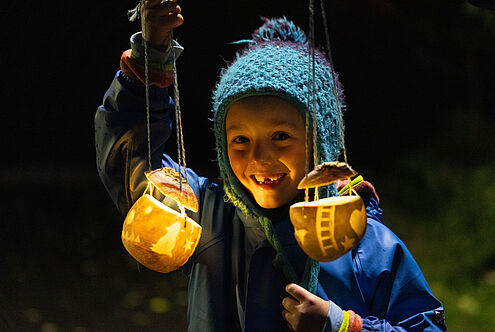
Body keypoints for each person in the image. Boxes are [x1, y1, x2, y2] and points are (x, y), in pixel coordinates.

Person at [95, 1, 446, 331]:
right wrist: (149, 58)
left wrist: (341, 325)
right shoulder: (198, 213)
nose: (259, 158)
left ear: (320, 141)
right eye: (240, 140)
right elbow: (128, 159)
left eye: (280, 136)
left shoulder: (364, 243)